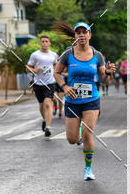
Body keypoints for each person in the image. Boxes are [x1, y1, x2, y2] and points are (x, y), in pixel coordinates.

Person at [54, 22, 114, 181]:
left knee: (88, 134)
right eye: (78, 32)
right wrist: (64, 87)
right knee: (72, 139)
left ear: (89, 35)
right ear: (75, 36)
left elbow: (103, 78)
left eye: (84, 32)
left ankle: (88, 169)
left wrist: (108, 73)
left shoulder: (97, 55)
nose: (81, 35)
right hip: (72, 101)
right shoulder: (68, 54)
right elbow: (57, 73)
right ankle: (78, 130)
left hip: (91, 100)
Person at [26, 35, 58, 137]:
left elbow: (56, 66)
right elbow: (28, 68)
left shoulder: (53, 55)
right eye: (43, 41)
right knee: (41, 105)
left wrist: (56, 72)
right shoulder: (35, 55)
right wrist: (35, 70)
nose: (44, 43)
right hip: (38, 83)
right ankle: (44, 119)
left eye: (46, 41)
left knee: (47, 103)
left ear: (49, 43)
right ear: (40, 43)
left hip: (50, 82)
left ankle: (48, 127)